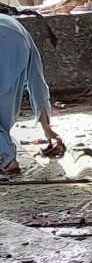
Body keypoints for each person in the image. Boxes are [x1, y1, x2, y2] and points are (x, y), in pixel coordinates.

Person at [1, 13, 61, 175]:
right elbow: (36, 79)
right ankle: (6, 157)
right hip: (17, 36)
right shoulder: (12, 24)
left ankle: (7, 159)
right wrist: (46, 127)